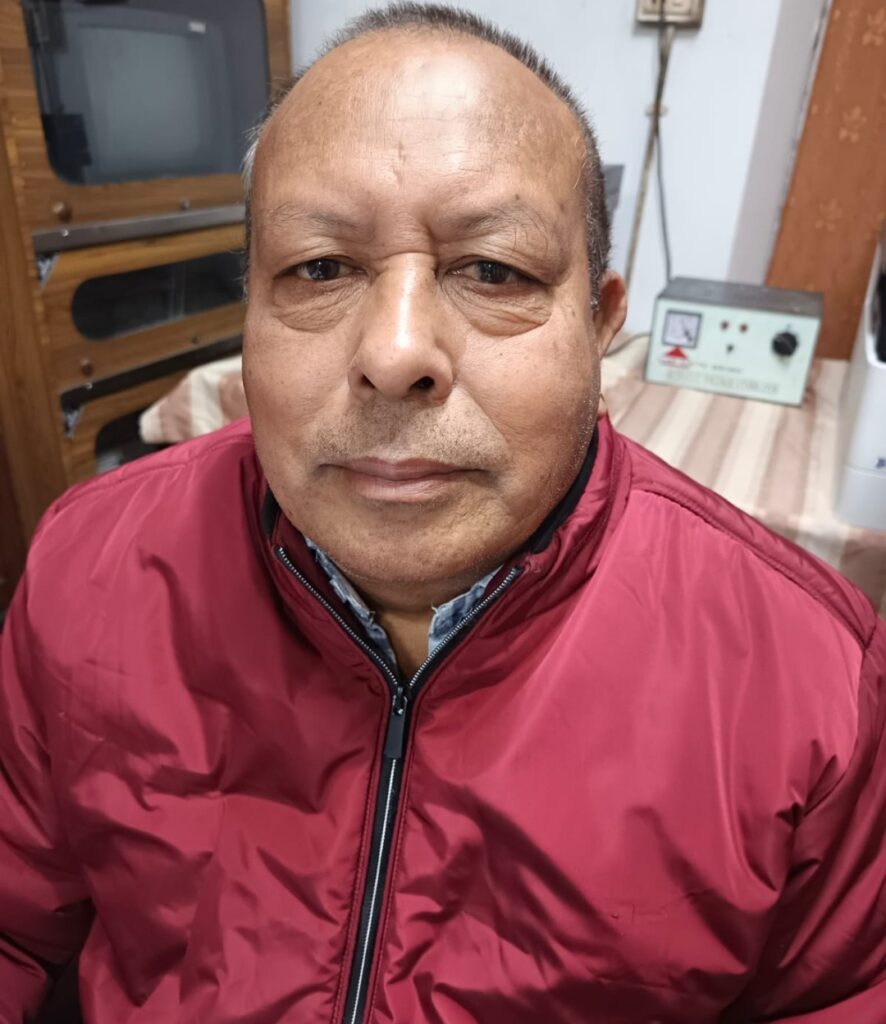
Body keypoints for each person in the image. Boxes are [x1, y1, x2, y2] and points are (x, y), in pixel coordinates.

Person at [1, 4, 884, 1022]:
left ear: (600, 326)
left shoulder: (808, 681)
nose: (394, 352)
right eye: (319, 267)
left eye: (493, 270)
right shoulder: (88, 565)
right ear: (247, 309)